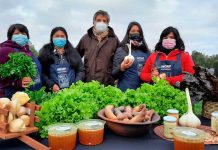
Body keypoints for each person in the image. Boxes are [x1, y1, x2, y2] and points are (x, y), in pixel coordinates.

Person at [77, 10, 119, 85]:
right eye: (99, 20)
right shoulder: (85, 38)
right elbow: (75, 57)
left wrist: (115, 77)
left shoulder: (114, 40)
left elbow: (119, 61)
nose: (101, 23)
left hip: (107, 84)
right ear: (93, 22)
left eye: (104, 21)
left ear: (107, 24)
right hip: (88, 82)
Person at [0, 24, 42, 98]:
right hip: (12, 96)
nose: (21, 36)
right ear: (10, 36)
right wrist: (16, 82)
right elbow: (2, 74)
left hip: (31, 94)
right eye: (17, 34)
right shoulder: (4, 50)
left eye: (23, 34)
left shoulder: (29, 52)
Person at [38, 27, 84, 92]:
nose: (60, 38)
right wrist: (51, 85)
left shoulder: (73, 52)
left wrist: (76, 84)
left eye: (62, 36)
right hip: (52, 92)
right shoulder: (45, 53)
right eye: (57, 36)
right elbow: (42, 72)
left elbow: (81, 70)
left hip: (72, 92)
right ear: (52, 38)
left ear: (66, 38)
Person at [112, 22, 150, 92]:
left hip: (142, 93)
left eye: (138, 31)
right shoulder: (122, 50)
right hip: (124, 92)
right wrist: (122, 68)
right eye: (133, 31)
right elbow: (114, 74)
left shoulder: (146, 52)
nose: (136, 33)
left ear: (141, 34)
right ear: (128, 34)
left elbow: (150, 73)